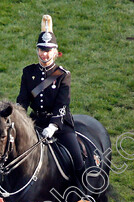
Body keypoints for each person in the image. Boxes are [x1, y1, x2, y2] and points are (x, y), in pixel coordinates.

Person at [16, 15, 84, 179]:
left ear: (55, 52)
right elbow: (23, 101)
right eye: (41, 50)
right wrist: (19, 118)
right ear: (37, 50)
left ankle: (83, 190)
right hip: (35, 122)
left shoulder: (62, 75)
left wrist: (53, 125)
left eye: (48, 51)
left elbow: (62, 104)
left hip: (59, 124)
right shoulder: (28, 72)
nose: (44, 54)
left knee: (77, 159)